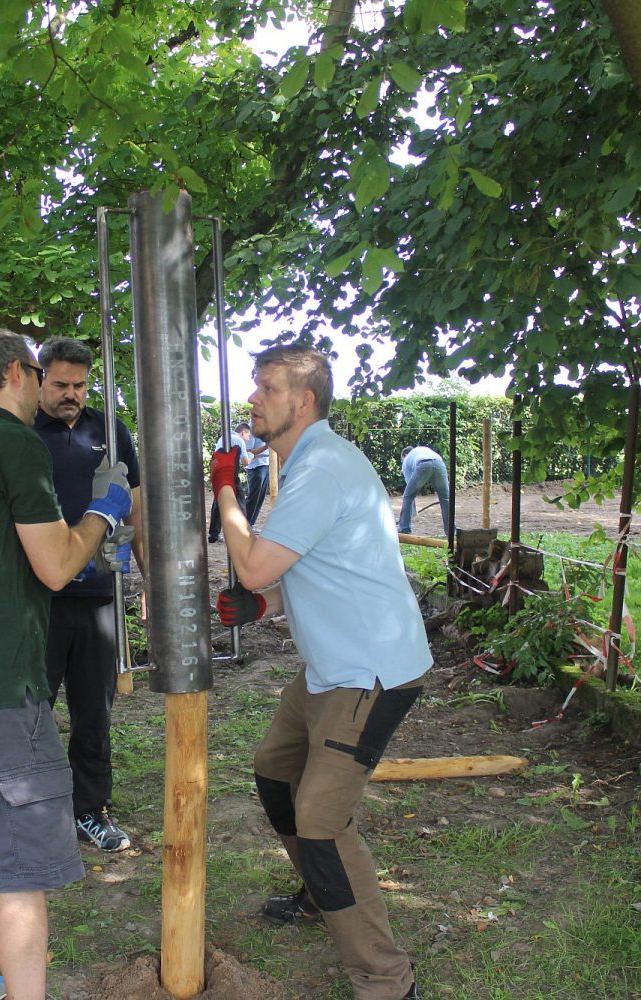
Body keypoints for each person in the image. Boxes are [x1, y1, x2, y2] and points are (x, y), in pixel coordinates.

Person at [0, 329, 134, 1000]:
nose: (46, 386)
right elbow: (59, 565)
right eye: (39, 374)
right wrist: (102, 513)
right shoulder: (14, 444)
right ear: (16, 372)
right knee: (22, 866)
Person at [209, 345, 430, 1000]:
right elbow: (294, 571)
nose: (254, 400)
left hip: (371, 673)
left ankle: (389, 982)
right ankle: (320, 896)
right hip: (330, 670)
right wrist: (264, 601)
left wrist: (224, 486)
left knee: (320, 821)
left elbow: (251, 563)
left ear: (301, 401)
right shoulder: (306, 463)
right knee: (275, 774)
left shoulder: (322, 468)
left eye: (267, 389)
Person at [32, 336, 146, 853]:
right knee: (29, 707)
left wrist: (150, 586)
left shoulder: (111, 431)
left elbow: (138, 513)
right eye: (60, 384)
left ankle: (89, 810)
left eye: (79, 384)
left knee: (94, 711)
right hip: (36, 598)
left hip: (100, 595)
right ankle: (29, 812)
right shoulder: (21, 431)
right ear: (38, 380)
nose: (70, 394)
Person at [397, 444, 453, 539]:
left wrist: (412, 512)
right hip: (439, 463)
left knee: (407, 496)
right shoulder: (423, 450)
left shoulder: (407, 460)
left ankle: (404, 528)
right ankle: (451, 531)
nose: (402, 462)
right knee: (445, 498)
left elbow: (410, 491)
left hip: (423, 464)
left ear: (405, 455)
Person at [206, 425, 246, 544]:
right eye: (248, 435)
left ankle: (213, 534)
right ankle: (242, 532)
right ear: (243, 433)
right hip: (230, 474)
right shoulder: (239, 441)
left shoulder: (221, 439)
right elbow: (245, 461)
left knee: (218, 502)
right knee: (240, 502)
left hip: (218, 473)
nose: (249, 438)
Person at [238, 421, 271, 527]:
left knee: (260, 497)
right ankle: (245, 524)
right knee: (254, 496)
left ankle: (251, 524)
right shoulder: (252, 428)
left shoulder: (268, 424)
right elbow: (248, 451)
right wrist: (266, 447)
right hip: (256, 465)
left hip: (266, 463)